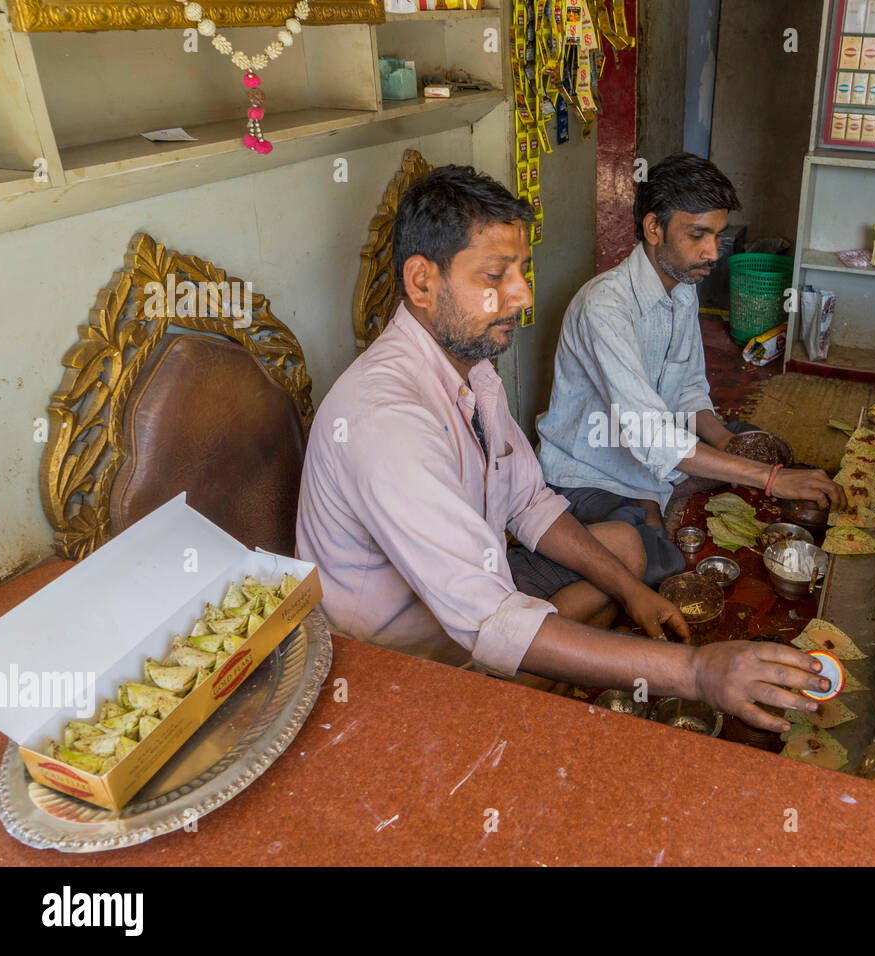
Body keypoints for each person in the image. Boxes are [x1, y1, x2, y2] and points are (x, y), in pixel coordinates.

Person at [296, 165, 829, 731]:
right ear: (422, 282)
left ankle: (532, 676)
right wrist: (696, 672)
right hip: (405, 654)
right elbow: (487, 620)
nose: (523, 295)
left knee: (626, 550)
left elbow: (530, 503)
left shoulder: (474, 373)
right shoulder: (387, 419)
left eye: (521, 271)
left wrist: (631, 593)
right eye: (496, 275)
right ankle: (480, 701)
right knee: (555, 621)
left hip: (474, 587)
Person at [536, 152, 844, 584]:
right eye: (698, 235)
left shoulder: (681, 287)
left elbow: (686, 389)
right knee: (658, 563)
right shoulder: (605, 306)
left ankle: (670, 491)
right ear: (653, 228)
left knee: (746, 439)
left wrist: (727, 445)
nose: (712, 252)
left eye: (717, 236)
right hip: (590, 471)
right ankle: (628, 517)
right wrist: (772, 480)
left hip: (650, 451)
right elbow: (648, 432)